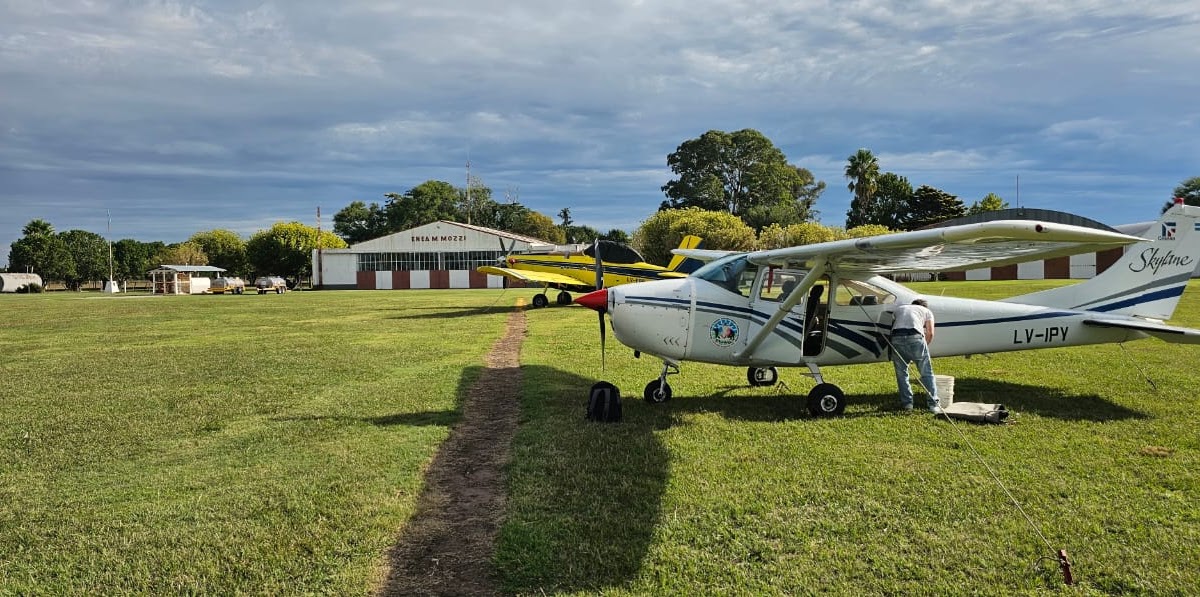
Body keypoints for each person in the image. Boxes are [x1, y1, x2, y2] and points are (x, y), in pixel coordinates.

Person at [889, 298, 943, 414]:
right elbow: (930, 332)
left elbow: (893, 325)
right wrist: (924, 347)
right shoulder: (926, 311)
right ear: (924, 306)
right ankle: (933, 405)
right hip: (915, 337)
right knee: (926, 373)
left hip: (896, 338)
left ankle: (907, 404)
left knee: (902, 373)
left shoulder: (900, 309)